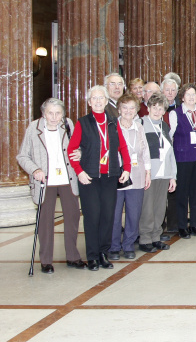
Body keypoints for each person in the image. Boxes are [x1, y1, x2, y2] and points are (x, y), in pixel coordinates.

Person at [16, 98, 86, 273]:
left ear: (63, 114)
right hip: (44, 180)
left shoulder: (68, 124)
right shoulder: (34, 128)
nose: (54, 117)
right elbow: (22, 156)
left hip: (67, 178)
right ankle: (46, 260)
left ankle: (73, 256)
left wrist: (79, 152)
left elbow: (80, 146)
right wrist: (35, 170)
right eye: (50, 113)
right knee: (45, 221)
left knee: (72, 218)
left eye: (58, 113)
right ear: (43, 113)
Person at [67, 85, 132, 271]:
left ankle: (104, 253)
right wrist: (79, 171)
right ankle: (92, 256)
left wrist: (126, 168)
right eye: (93, 98)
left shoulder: (113, 122)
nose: (97, 101)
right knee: (92, 216)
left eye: (101, 98)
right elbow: (72, 150)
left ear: (105, 101)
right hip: (90, 177)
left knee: (107, 216)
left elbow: (123, 148)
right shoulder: (82, 123)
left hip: (110, 177)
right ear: (89, 102)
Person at [169, 84, 196, 239]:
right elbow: (170, 136)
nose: (191, 97)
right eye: (188, 94)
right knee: (182, 193)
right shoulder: (176, 113)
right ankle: (182, 226)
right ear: (182, 97)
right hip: (183, 158)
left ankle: (195, 224)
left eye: (193, 94)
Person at [109, 94, 149, 260]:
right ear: (119, 109)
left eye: (132, 108)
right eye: (124, 107)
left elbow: (145, 150)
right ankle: (113, 246)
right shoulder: (112, 126)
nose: (128, 111)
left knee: (134, 213)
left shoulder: (139, 126)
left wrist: (148, 172)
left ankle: (128, 245)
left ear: (136, 110)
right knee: (115, 213)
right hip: (117, 176)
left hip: (137, 174)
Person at [139, 92, 176, 253]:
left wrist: (173, 176)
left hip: (164, 173)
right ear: (148, 108)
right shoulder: (140, 124)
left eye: (160, 108)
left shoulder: (165, 126)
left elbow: (170, 153)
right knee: (147, 207)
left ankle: (156, 236)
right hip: (149, 174)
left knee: (160, 207)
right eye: (154, 107)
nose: (157, 111)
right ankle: (145, 238)